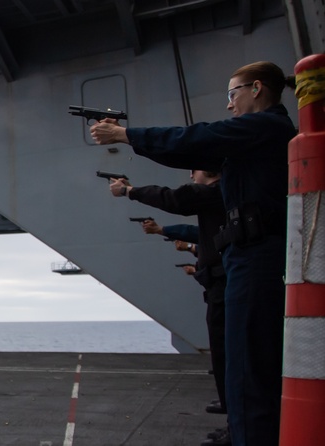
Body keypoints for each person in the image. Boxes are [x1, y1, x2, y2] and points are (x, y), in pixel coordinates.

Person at [91, 61, 294, 446]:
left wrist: (125, 134)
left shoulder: (265, 127)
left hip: (256, 255)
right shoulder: (253, 142)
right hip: (244, 254)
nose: (230, 105)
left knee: (249, 362)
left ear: (256, 89)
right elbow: (191, 156)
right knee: (241, 360)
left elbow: (196, 144)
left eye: (232, 95)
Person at [109, 171, 229, 428]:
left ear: (207, 173)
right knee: (225, 350)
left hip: (224, 286)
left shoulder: (216, 193)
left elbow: (177, 201)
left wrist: (131, 191)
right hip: (220, 284)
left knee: (228, 350)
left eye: (194, 172)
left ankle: (236, 419)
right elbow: (199, 235)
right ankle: (232, 410)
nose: (191, 177)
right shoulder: (224, 196)